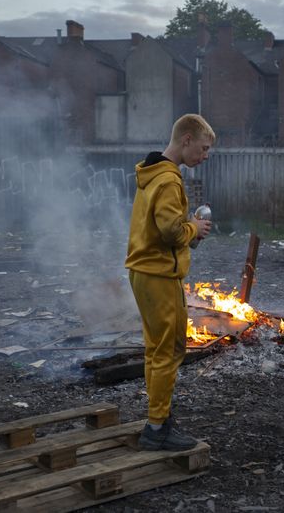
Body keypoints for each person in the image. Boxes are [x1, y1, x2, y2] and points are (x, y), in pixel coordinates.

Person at [125, 114, 215, 451]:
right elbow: (171, 232)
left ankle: (158, 418)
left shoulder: (152, 173)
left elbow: (162, 224)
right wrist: (194, 228)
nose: (205, 155)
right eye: (203, 148)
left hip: (145, 272)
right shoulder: (168, 180)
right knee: (170, 350)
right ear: (186, 139)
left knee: (156, 349)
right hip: (159, 274)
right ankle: (157, 429)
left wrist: (186, 225)